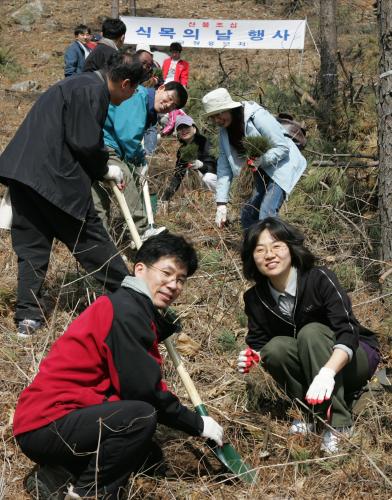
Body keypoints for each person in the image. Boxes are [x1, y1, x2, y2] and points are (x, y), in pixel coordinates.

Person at [13, 233, 224, 499]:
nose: (173, 285)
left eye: (181, 280)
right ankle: (89, 494)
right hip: (48, 421)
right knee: (140, 418)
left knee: (146, 453)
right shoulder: (126, 311)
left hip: (54, 422)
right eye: (167, 273)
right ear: (140, 269)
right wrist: (196, 424)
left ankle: (58, 475)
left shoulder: (131, 308)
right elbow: (144, 392)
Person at [0, 53, 145, 337]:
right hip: (56, 180)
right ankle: (136, 299)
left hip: (25, 175)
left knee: (32, 247)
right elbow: (85, 142)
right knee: (92, 242)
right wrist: (105, 169)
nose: (131, 97)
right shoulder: (93, 91)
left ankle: (28, 317)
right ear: (126, 84)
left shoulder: (78, 84)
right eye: (134, 90)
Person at [237, 217, 380, 453]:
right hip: (310, 371)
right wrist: (251, 357)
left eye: (277, 246)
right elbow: (261, 345)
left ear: (291, 249)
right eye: (260, 250)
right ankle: (309, 412)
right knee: (275, 349)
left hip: (353, 360)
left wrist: (327, 372)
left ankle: (339, 425)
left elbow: (347, 331)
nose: (269, 255)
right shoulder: (255, 298)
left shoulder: (318, 278)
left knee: (311, 332)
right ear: (252, 257)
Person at [92, 79, 188, 238]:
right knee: (126, 178)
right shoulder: (139, 97)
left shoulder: (147, 107)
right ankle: (142, 230)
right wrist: (139, 159)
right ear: (161, 88)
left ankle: (105, 247)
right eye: (169, 99)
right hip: (104, 145)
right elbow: (128, 136)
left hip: (99, 145)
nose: (167, 105)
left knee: (99, 203)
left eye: (172, 106)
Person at [201, 88, 307, 230]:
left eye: (219, 114)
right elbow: (224, 167)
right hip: (260, 170)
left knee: (267, 214)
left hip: (281, 167)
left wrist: (261, 160)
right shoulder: (224, 132)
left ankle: (274, 248)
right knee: (248, 215)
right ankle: (252, 249)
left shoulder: (256, 116)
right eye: (212, 117)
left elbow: (282, 147)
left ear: (229, 108)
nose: (217, 120)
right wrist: (221, 203)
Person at [162, 114, 217, 202]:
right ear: (178, 133)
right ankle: (204, 201)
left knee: (208, 178)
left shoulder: (205, 142)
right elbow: (178, 175)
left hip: (216, 177)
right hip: (200, 183)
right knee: (188, 176)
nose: (183, 130)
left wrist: (201, 165)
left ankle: (223, 199)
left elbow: (214, 167)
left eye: (187, 126)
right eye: (180, 128)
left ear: (194, 129)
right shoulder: (182, 150)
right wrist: (165, 198)